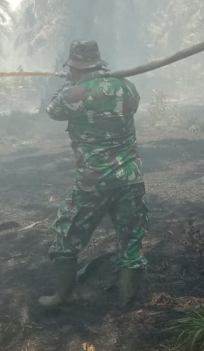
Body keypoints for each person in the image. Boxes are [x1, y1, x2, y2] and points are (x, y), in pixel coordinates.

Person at [39, 40, 148, 309]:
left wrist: (70, 83)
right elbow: (131, 105)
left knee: (67, 232)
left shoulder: (73, 94)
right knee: (131, 238)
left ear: (74, 65)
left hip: (94, 179)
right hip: (130, 175)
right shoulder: (125, 85)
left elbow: (52, 110)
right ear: (99, 62)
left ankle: (63, 296)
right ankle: (128, 301)